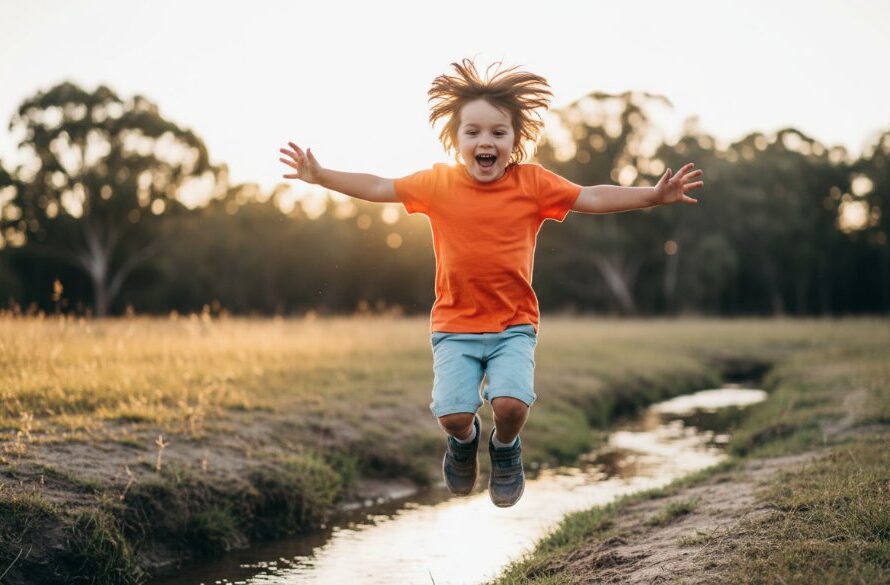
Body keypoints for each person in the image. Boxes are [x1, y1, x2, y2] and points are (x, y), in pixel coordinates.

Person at [279, 59, 703, 507]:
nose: (486, 141)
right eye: (474, 132)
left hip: (513, 325)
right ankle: (463, 444)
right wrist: (321, 176)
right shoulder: (437, 184)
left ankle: (505, 448)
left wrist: (653, 195)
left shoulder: (533, 183)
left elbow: (591, 196)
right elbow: (381, 186)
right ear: (456, 140)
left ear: (516, 141)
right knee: (453, 415)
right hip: (454, 326)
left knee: (511, 406)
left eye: (498, 133)